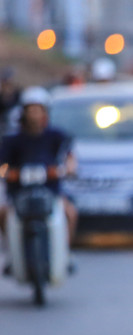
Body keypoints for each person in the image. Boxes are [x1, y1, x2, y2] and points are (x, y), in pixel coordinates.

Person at [0, 87, 78, 259]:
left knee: (69, 213)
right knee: (4, 214)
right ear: (24, 112)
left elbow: (69, 156)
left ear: (45, 112)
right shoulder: (12, 139)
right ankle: (13, 255)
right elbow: (3, 165)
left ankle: (65, 253)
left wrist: (68, 168)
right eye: (31, 110)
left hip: (50, 190)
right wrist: (7, 174)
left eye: (38, 110)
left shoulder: (56, 135)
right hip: (19, 191)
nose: (34, 114)